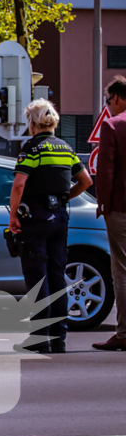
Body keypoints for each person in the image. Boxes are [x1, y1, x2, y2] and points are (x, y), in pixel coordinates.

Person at [9, 99, 92, 354]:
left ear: (33, 123)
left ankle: (38, 338)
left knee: (38, 278)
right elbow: (86, 180)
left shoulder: (32, 148)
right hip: (60, 219)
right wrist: (65, 197)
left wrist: (14, 214)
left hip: (36, 219)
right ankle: (59, 339)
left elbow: (19, 184)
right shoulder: (65, 148)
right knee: (57, 277)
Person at [93, 75, 126, 351]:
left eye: (108, 101)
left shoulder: (112, 125)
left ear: (115, 98)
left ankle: (124, 332)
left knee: (122, 270)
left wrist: (102, 203)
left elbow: (106, 170)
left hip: (120, 206)